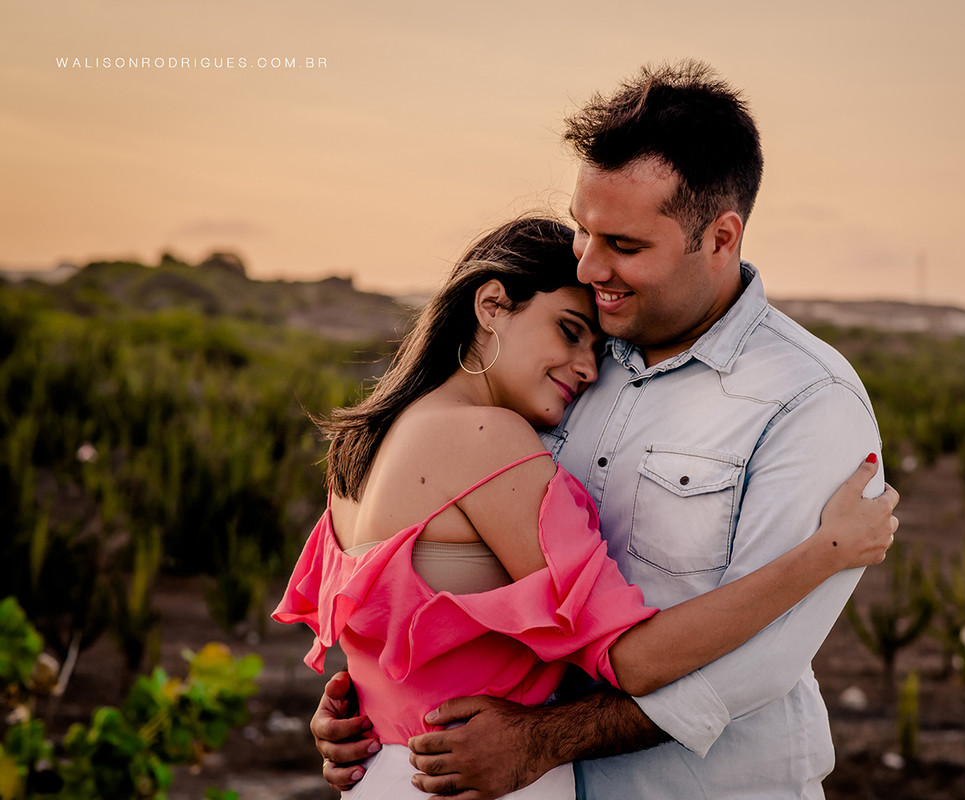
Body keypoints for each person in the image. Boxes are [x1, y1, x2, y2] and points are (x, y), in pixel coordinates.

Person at [314, 61, 893, 799]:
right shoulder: (562, 367)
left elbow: (758, 665)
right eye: (584, 231)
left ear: (720, 238)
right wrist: (374, 708)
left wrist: (541, 741)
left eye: (622, 244)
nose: (589, 264)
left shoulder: (808, 401)